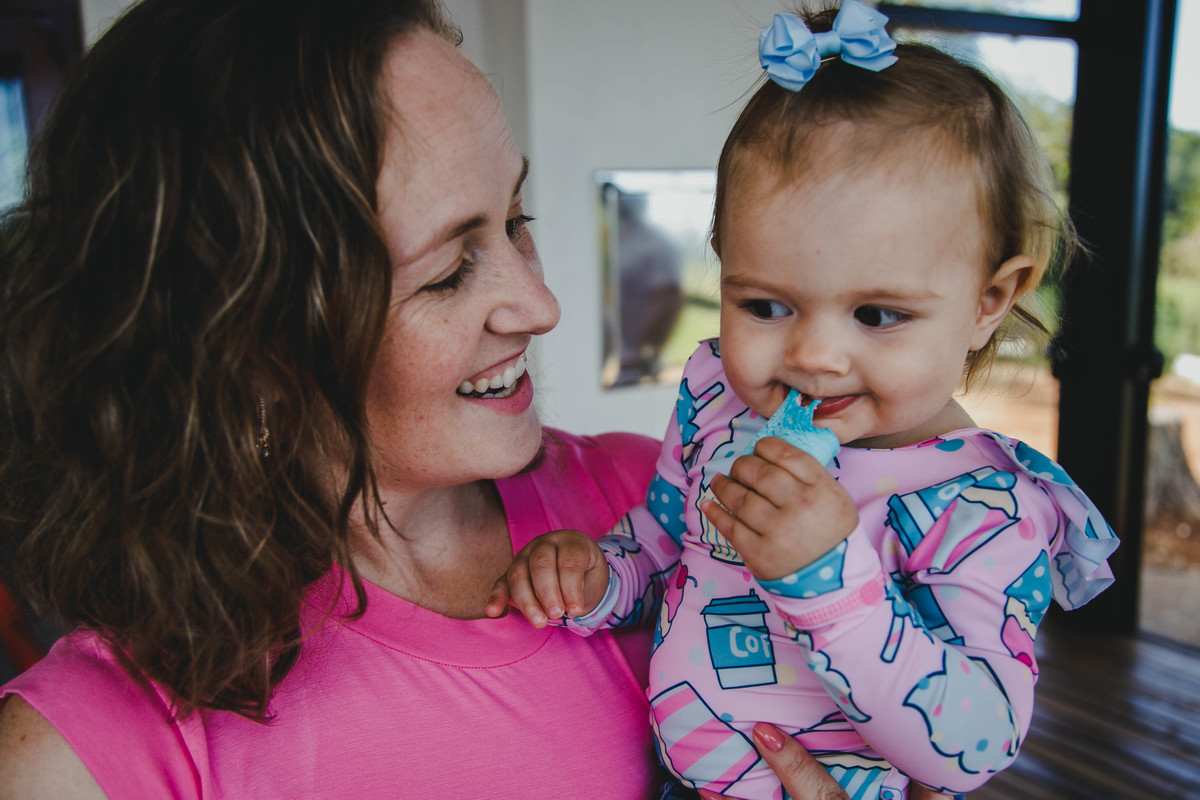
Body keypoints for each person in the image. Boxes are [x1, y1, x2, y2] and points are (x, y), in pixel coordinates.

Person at [0, 1, 901, 798]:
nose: (540, 306)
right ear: (248, 343)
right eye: (445, 273)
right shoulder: (81, 754)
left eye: (516, 222)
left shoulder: (673, 507)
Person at [488, 3, 1120, 799]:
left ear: (989, 300)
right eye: (765, 305)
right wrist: (595, 576)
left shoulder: (983, 509)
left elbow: (977, 737)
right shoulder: (720, 408)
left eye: (877, 315)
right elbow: (665, 542)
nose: (814, 356)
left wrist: (829, 580)